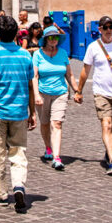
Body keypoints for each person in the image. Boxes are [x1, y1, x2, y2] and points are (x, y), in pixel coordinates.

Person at [0, 14, 36, 213]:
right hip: (19, 111)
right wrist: (32, 112)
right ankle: (18, 185)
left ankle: (1, 194)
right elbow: (30, 85)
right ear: (17, 34)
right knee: (18, 152)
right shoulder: (25, 56)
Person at [75, 16, 112, 175]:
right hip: (101, 92)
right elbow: (85, 70)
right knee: (106, 123)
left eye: (111, 27)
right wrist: (79, 91)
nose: (109, 30)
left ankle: (109, 151)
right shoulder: (93, 47)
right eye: (105, 27)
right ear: (99, 29)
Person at [33, 25, 76, 170]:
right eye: (51, 37)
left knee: (56, 123)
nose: (54, 40)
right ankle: (48, 147)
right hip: (43, 93)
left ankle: (57, 157)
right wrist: (36, 94)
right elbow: (35, 76)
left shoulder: (63, 53)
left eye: (56, 37)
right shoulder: (38, 55)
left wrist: (77, 90)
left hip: (61, 92)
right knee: (44, 123)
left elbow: (69, 74)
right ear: (45, 39)